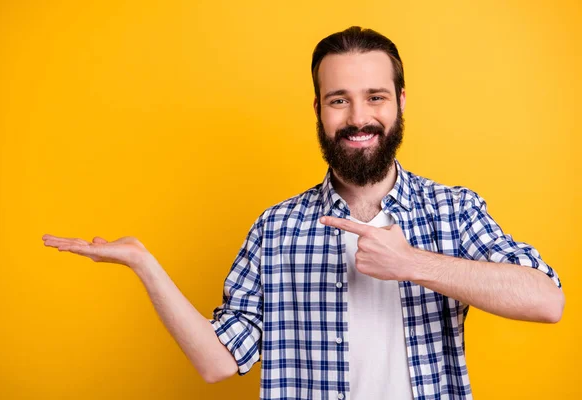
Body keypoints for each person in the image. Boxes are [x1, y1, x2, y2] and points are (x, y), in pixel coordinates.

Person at [42, 26, 564, 400]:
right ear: (317, 109)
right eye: (339, 100)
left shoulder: (452, 210)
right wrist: (144, 265)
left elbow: (547, 300)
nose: (359, 118)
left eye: (376, 97)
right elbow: (217, 362)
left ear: (401, 102)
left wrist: (413, 264)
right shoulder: (276, 229)